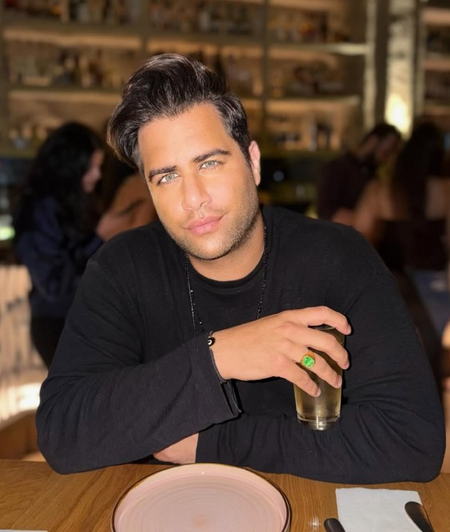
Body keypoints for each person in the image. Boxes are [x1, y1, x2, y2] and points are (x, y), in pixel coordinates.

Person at [36, 54, 444, 483]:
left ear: (253, 161)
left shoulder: (337, 258)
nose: (193, 198)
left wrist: (215, 443)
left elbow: (413, 439)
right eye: (167, 177)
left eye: (209, 163)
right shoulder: (123, 268)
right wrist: (219, 356)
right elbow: (63, 433)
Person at [12, 122, 128, 368]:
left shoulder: (75, 203)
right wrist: (99, 237)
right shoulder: (40, 209)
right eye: (91, 167)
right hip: (58, 324)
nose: (97, 175)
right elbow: (53, 285)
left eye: (98, 167)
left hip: (79, 319)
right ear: (70, 167)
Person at [354, 121, 450, 391]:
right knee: (432, 361)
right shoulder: (445, 189)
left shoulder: (380, 190)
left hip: (393, 288)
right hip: (435, 287)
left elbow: (357, 239)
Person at [316, 122, 401, 225]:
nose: (387, 159)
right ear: (373, 141)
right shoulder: (337, 168)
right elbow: (326, 212)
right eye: (386, 152)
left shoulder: (374, 174)